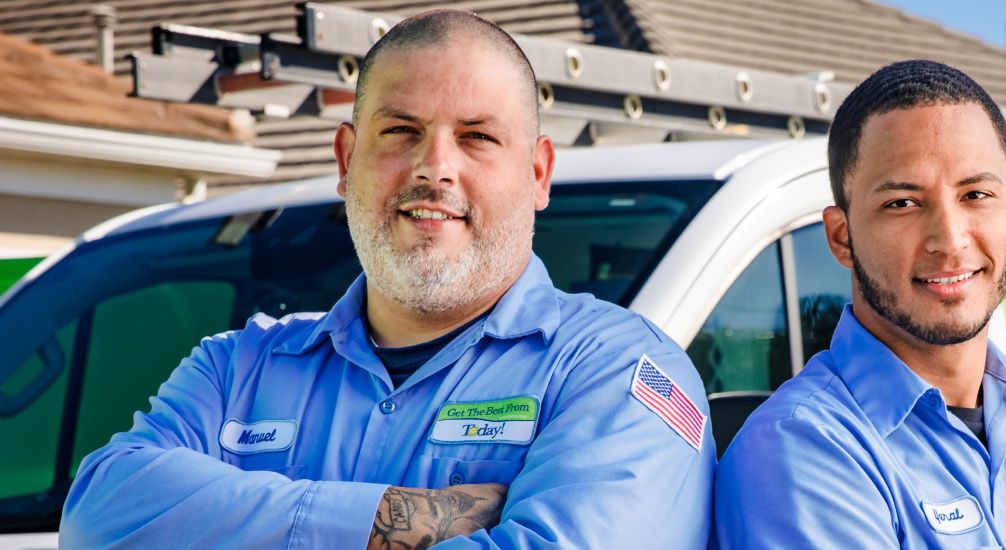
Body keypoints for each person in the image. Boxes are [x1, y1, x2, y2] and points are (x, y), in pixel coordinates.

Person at [59, 10, 712, 549]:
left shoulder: (615, 371)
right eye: (401, 130)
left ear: (538, 174)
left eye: (478, 137)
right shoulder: (236, 368)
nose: (435, 168)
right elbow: (98, 517)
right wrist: (398, 518)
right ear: (347, 160)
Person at [714, 60, 1006, 549]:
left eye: (975, 194)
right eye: (903, 203)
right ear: (842, 237)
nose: (949, 240)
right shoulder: (800, 450)